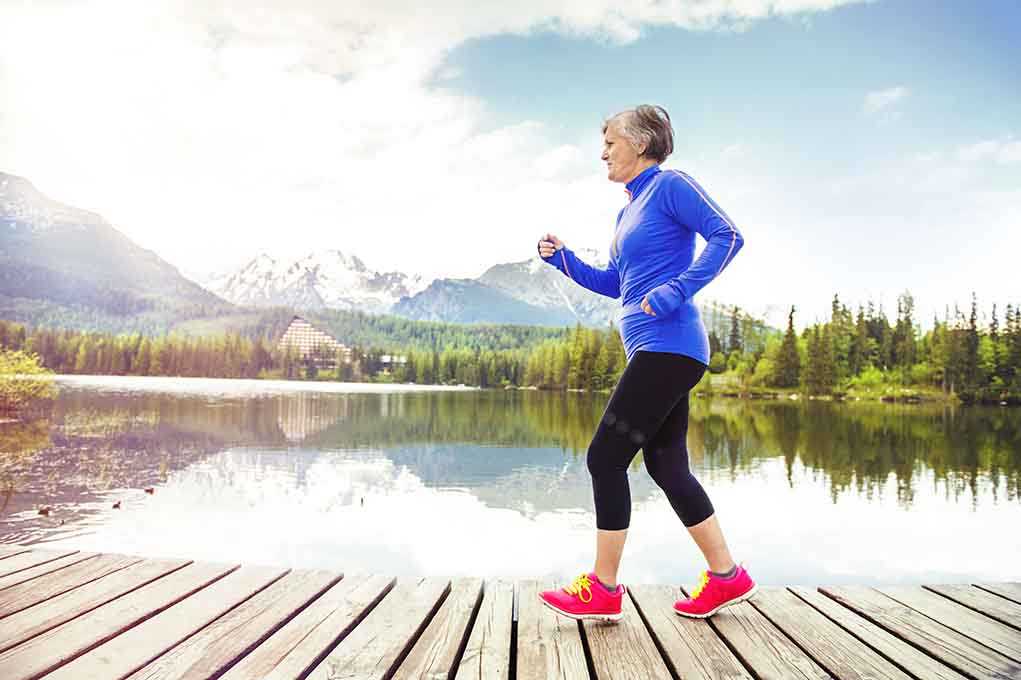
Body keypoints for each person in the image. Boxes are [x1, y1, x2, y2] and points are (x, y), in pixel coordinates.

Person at [535, 105, 755, 621]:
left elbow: (728, 236)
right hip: (654, 350)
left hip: (670, 345)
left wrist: (679, 289)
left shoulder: (672, 185)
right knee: (666, 464)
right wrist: (563, 259)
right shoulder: (626, 211)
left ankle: (604, 588)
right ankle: (727, 577)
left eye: (610, 140)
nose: (603, 151)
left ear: (639, 142)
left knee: (605, 458)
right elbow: (616, 282)